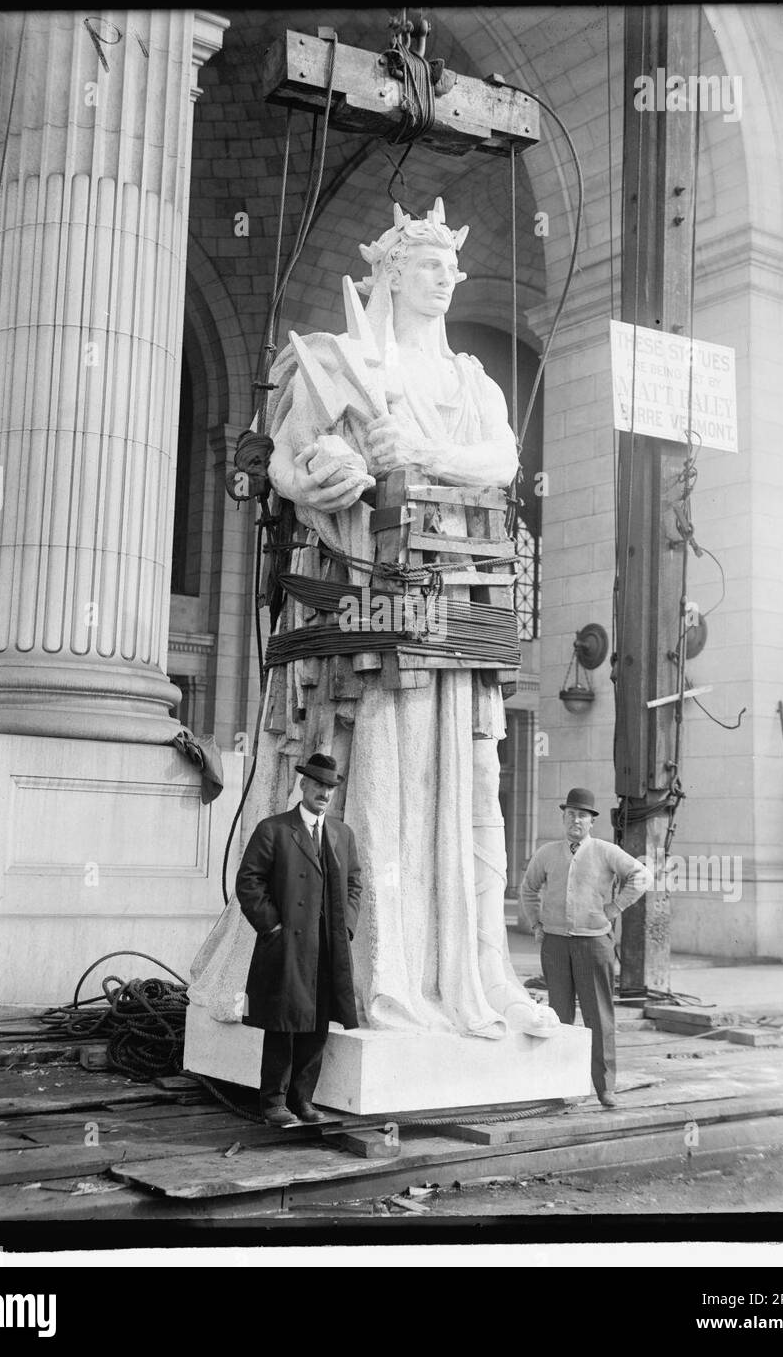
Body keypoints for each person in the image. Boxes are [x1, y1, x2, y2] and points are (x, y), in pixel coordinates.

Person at [190, 199, 558, 1042]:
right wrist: (323, 470)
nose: (445, 279)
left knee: (462, 783)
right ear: (389, 273)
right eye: (429, 265)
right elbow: (284, 458)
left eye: (451, 267)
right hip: (362, 593)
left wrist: (422, 454)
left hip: (452, 598)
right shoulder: (333, 359)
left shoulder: (472, 381)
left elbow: (502, 460)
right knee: (380, 761)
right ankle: (370, 975)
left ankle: (460, 973)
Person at [235, 753, 361, 1127]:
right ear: (303, 785)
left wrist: (346, 927)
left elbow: (354, 884)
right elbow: (249, 882)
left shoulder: (341, 834)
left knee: (318, 1023)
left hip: (327, 945)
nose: (324, 793)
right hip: (287, 945)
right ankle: (274, 1102)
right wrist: (272, 926)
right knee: (283, 1022)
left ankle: (303, 1100)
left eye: (330, 787)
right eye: (318, 784)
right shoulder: (274, 829)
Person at [519, 787, 650, 1108]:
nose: (575, 820)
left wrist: (615, 907)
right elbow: (528, 889)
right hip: (555, 944)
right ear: (563, 818)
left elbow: (641, 875)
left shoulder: (606, 851)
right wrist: (536, 924)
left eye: (582, 816)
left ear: (592, 821)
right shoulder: (547, 853)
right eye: (571, 814)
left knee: (599, 1016)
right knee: (558, 1015)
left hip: (594, 943)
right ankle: (558, 1084)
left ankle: (605, 1087)